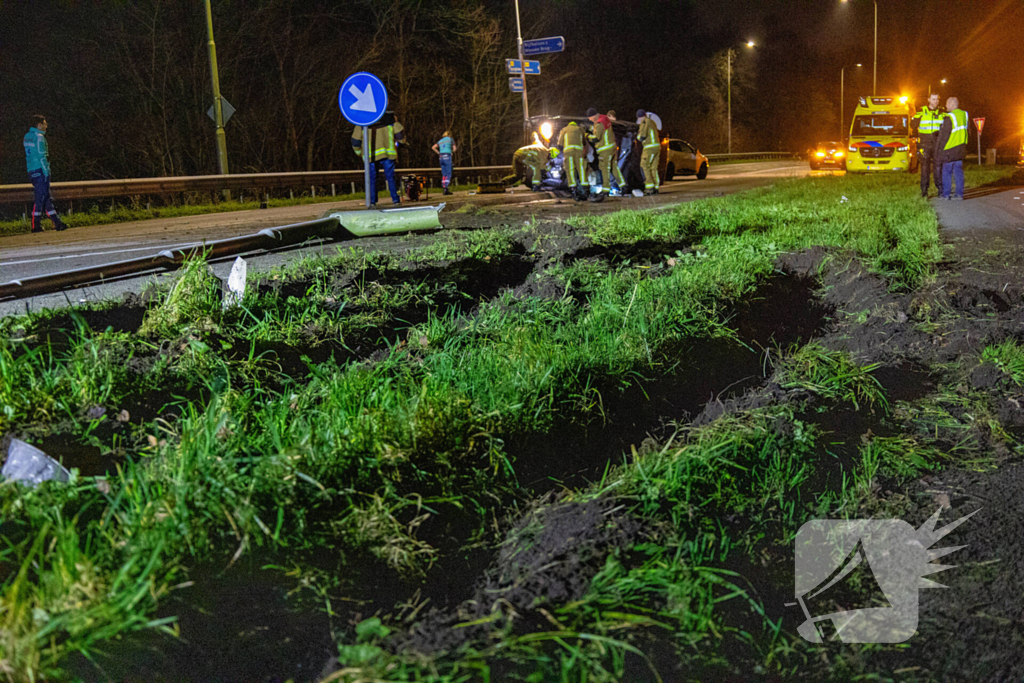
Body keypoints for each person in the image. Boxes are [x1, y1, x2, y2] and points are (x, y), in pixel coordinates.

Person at [23, 115, 67, 232]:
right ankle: (35, 225)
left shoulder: (27, 136)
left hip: (31, 170)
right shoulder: (40, 137)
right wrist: (46, 171)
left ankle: (57, 223)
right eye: (44, 123)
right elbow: (42, 156)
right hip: (40, 170)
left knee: (45, 197)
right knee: (41, 197)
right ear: (39, 124)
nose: (46, 126)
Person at [350, 112, 405, 205]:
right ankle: (395, 200)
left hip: (370, 156)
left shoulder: (362, 122)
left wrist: (360, 153)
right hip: (388, 154)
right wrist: (401, 143)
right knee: (390, 177)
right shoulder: (390, 119)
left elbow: (355, 141)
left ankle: (372, 201)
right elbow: (400, 134)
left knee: (371, 178)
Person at [911, 93, 945, 198]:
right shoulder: (922, 111)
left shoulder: (941, 112)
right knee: (925, 168)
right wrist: (917, 135)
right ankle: (924, 191)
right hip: (924, 144)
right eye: (933, 99)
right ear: (929, 99)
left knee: (938, 167)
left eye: (937, 99)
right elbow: (912, 124)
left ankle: (940, 189)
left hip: (937, 144)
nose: (935, 101)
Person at [935, 96, 969, 201]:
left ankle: (946, 194)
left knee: (946, 172)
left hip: (950, 149)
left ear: (953, 104)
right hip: (961, 148)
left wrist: (938, 151)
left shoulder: (950, 117)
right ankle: (959, 195)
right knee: (958, 171)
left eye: (947, 104)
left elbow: (944, 136)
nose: (946, 106)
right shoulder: (964, 115)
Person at [587, 107, 624, 200]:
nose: (589, 119)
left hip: (605, 149)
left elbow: (596, 138)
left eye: (589, 118)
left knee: (604, 169)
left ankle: (605, 190)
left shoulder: (599, 123)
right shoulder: (604, 118)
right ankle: (623, 186)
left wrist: (586, 135)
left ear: (593, 116)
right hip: (611, 147)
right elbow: (602, 131)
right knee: (614, 167)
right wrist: (591, 127)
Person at [556, 120, 587, 201]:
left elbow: (560, 144)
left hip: (568, 152)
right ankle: (585, 188)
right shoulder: (580, 129)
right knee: (581, 169)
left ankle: (573, 189)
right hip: (579, 152)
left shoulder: (564, 130)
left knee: (570, 170)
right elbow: (584, 142)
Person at [636, 109, 661, 195]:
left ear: (639, 118)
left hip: (649, 147)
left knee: (644, 165)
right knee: (653, 168)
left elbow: (642, 136)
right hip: (656, 147)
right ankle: (656, 187)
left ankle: (649, 188)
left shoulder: (644, 122)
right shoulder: (652, 122)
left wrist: (637, 136)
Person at [432, 131, 457, 195]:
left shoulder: (440, 141)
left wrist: (439, 153)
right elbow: (454, 148)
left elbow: (433, 147)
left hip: (441, 158)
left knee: (444, 173)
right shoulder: (450, 139)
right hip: (447, 157)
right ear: (449, 135)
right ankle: (446, 188)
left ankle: (444, 187)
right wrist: (451, 151)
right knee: (448, 172)